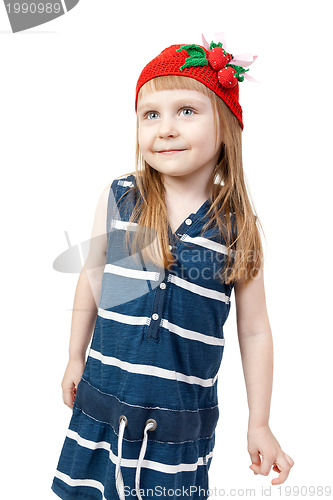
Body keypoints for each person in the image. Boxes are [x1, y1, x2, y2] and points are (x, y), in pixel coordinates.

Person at [51, 33, 294, 500]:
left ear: (224, 123)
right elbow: (93, 278)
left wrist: (258, 421)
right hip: (103, 403)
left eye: (186, 111)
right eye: (150, 115)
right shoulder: (121, 197)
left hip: (177, 425)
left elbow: (256, 329)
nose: (164, 128)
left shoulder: (237, 228)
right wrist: (74, 356)